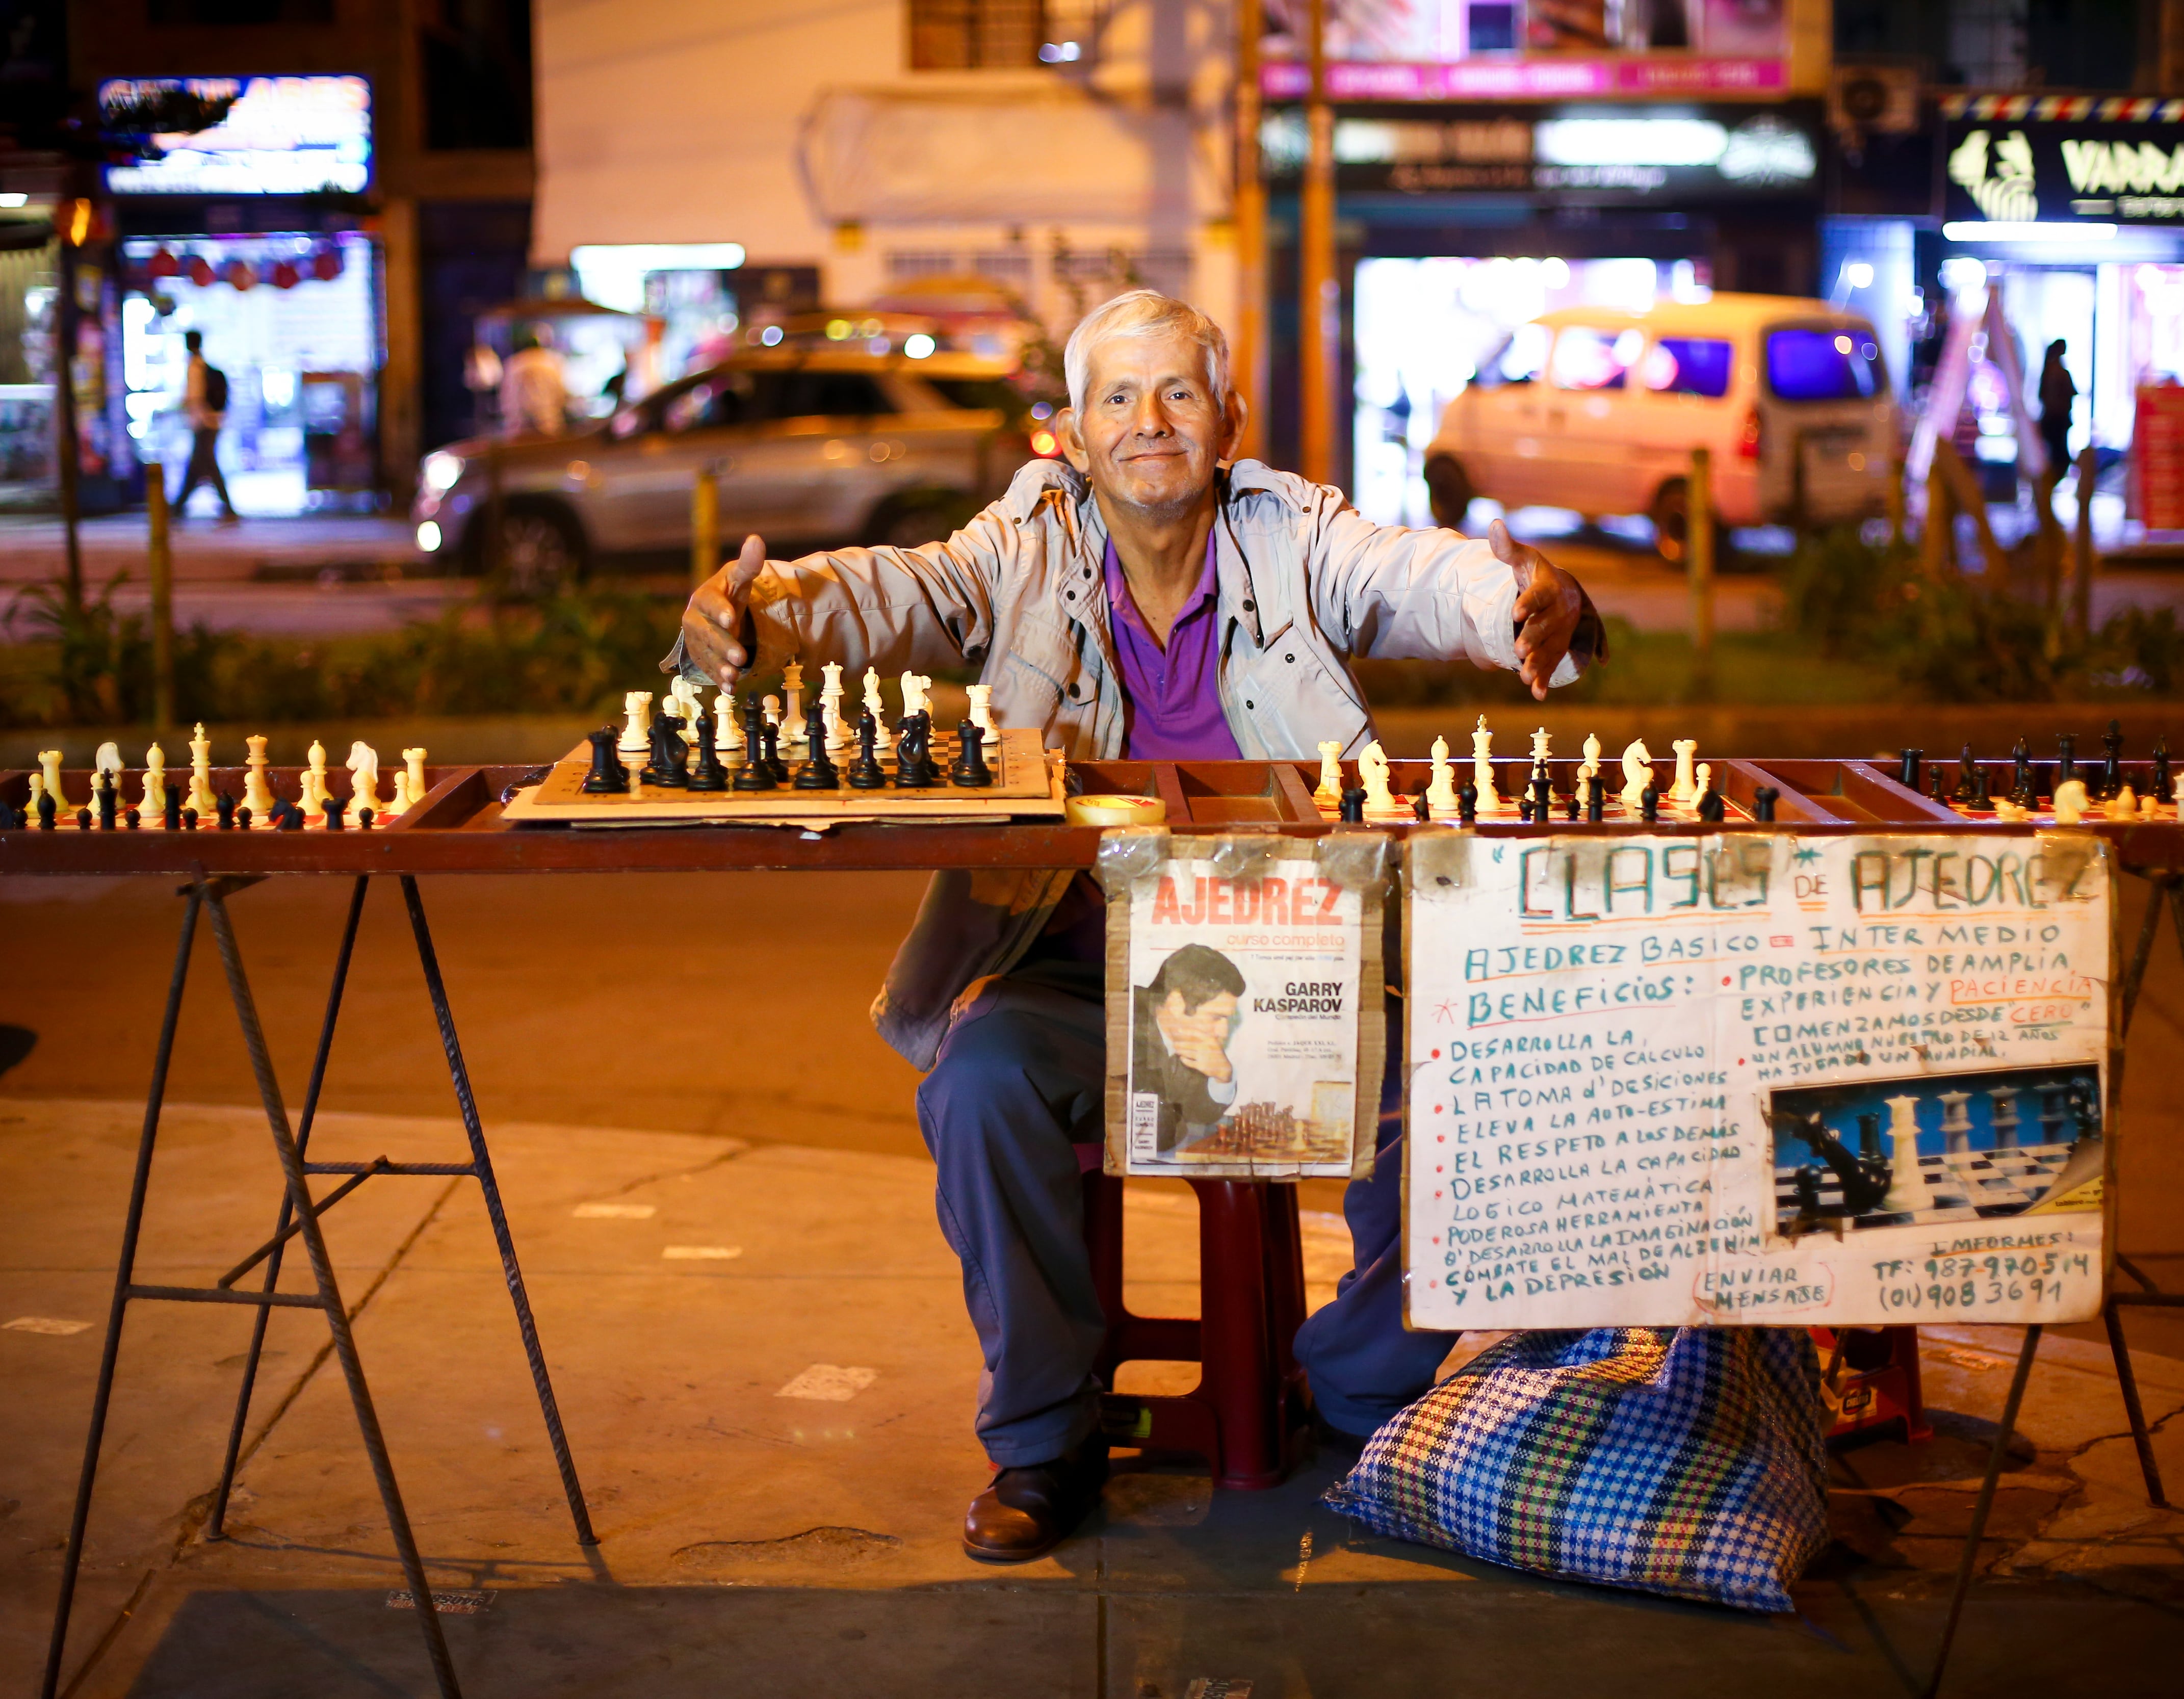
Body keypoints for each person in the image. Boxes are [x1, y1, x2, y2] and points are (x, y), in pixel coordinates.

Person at [674, 289, 1602, 1564]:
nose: (1148, 422)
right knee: (979, 1082)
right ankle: (1044, 1440)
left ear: (1227, 421)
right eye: (1117, 396)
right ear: (1070, 427)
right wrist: (766, 610)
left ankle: (1350, 1389)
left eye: (1176, 394)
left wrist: (1518, 597)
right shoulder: (1027, 543)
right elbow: (899, 590)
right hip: (1077, 975)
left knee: (1468, 1087)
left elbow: (1414, 572)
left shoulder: (1292, 534)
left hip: (1298, 977)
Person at [1129, 944, 1244, 1154]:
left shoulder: (1189, 1039)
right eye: (1216, 1017)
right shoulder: (1128, 1018)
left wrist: (1222, 1077)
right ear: (1176, 1003)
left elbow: (1198, 1116)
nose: (1224, 1032)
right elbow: (1157, 1135)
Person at [175, 329, 237, 523]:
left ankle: (226, 505)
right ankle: (179, 505)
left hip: (203, 422)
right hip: (211, 420)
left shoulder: (195, 367)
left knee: (207, 463)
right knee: (199, 464)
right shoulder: (201, 366)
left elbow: (193, 397)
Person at [499, 323, 568, 437]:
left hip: (519, 425)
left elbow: (506, 396)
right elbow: (561, 393)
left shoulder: (514, 363)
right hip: (548, 422)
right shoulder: (553, 362)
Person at [2036, 339, 2076, 480]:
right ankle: (2049, 486)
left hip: (2055, 419)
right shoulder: (2057, 371)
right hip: (2057, 420)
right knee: (2059, 457)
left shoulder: (2051, 369)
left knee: (2057, 455)